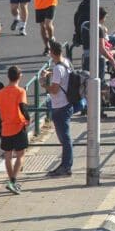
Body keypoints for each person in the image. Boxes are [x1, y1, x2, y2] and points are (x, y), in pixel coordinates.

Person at [40, 40, 74, 177]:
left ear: (51, 53)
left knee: (64, 139)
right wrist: (51, 74)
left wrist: (43, 83)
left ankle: (66, 166)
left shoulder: (57, 68)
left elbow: (54, 90)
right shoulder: (66, 62)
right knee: (65, 138)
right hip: (67, 103)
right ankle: (66, 165)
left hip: (60, 106)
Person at [0, 64, 29, 194]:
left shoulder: (0, 93)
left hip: (5, 127)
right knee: (20, 155)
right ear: (19, 76)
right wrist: (28, 120)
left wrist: (0, 126)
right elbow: (23, 108)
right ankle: (13, 181)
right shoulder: (20, 91)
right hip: (18, 126)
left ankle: (11, 180)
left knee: (8, 155)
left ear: (8, 77)